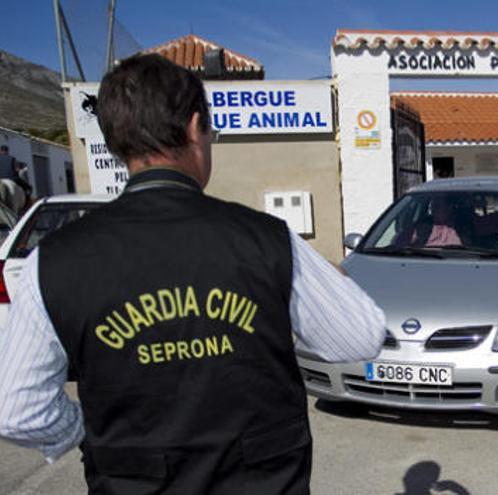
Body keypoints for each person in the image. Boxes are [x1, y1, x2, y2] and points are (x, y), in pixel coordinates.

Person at [0, 54, 386, 494]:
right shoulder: (268, 240)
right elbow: (361, 336)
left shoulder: (50, 262)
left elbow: (18, 410)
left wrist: (88, 431)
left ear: (116, 141)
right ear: (194, 127)